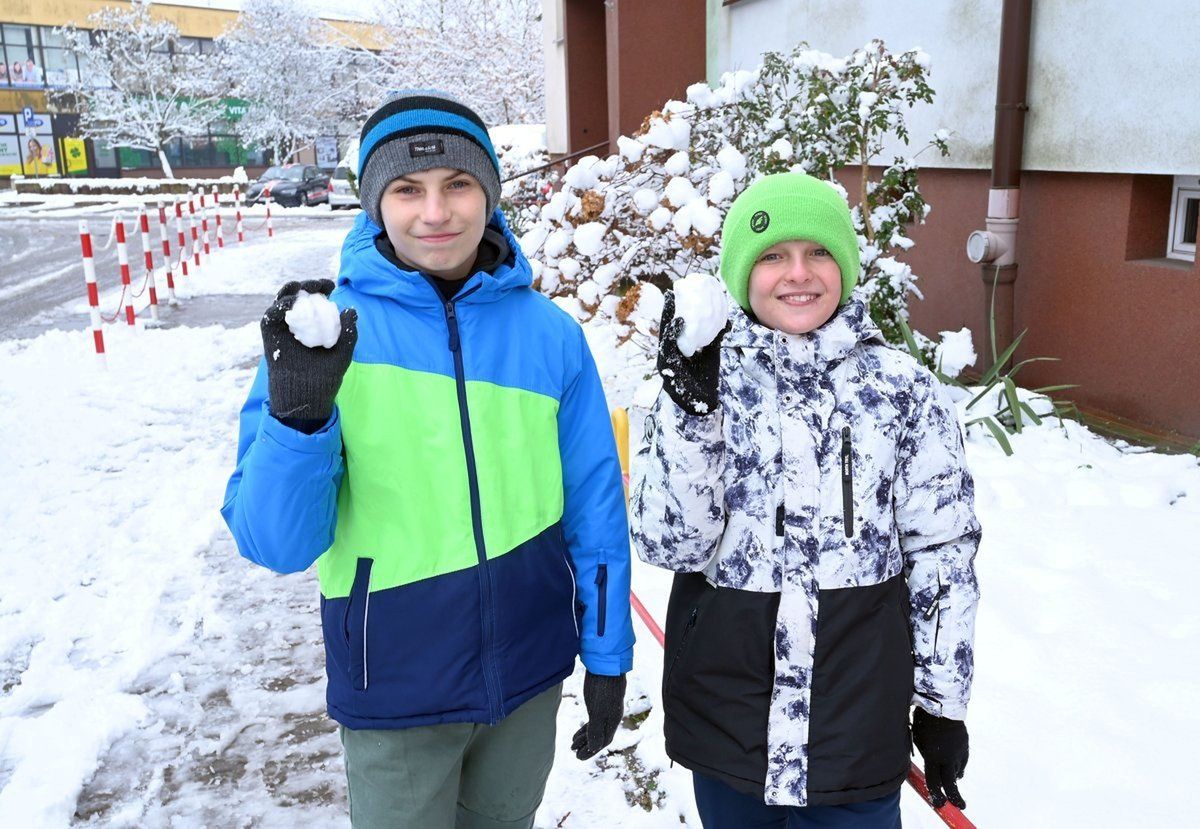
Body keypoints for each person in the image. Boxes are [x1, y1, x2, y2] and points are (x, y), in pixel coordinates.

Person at [222, 90, 635, 828]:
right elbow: (275, 544)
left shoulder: (550, 336)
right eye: (408, 190)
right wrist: (299, 416)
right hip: (395, 687)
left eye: (458, 185)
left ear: (490, 193)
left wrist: (606, 655)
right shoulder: (325, 339)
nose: (435, 213)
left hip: (529, 677)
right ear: (374, 203)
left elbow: (596, 510)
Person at [631, 172, 980, 828]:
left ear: (845, 264)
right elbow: (668, 543)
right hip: (728, 720)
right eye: (771, 255)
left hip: (855, 725)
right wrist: (691, 414)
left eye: (818, 251)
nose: (798, 274)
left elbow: (945, 552)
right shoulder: (701, 380)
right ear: (741, 273)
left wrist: (942, 703)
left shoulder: (902, 390)